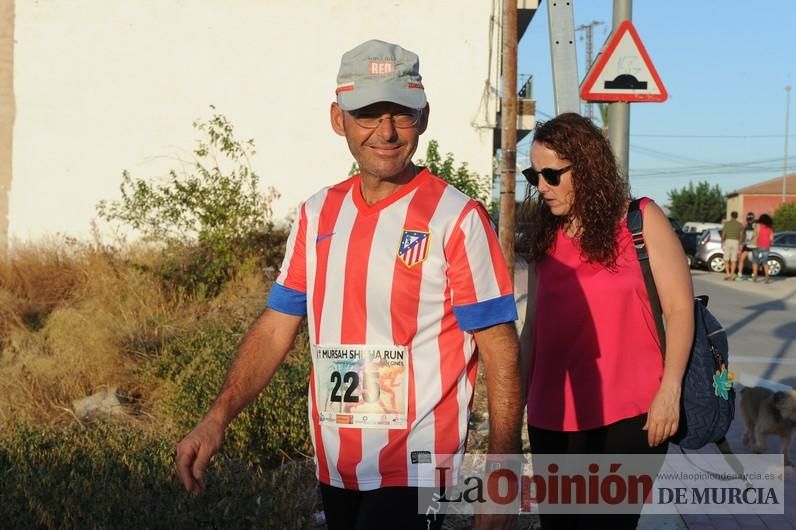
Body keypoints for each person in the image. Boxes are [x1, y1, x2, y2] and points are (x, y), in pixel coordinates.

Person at [175, 39, 523, 530]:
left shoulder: (457, 219)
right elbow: (277, 327)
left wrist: (501, 477)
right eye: (367, 114)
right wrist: (215, 420)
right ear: (338, 119)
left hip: (419, 463)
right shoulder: (317, 213)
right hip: (336, 463)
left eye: (401, 113)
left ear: (423, 118)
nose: (386, 131)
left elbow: (500, 348)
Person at [518, 113, 694, 529]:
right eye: (534, 173)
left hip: (630, 418)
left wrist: (670, 390)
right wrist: (515, 407)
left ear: (587, 166)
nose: (541, 185)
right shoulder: (545, 235)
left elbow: (680, 310)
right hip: (552, 416)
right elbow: (533, 331)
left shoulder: (640, 220)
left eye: (552, 174)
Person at [751, 213, 774, 283]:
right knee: (765, 262)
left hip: (757, 245)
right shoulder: (770, 228)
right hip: (766, 246)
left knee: (755, 261)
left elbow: (754, 234)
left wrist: (751, 240)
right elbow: (771, 238)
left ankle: (755, 277)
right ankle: (767, 277)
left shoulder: (758, 226)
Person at [721, 211, 744, 280]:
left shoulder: (726, 224)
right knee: (734, 260)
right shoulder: (740, 225)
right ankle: (732, 274)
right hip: (736, 242)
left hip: (728, 241)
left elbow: (723, 234)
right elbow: (741, 236)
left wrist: (722, 242)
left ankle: (727, 274)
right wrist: (740, 244)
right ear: (737, 216)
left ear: (731, 216)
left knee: (726, 259)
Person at [737, 211, 756, 280]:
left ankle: (754, 276)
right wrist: (741, 244)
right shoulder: (746, 226)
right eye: (748, 219)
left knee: (754, 261)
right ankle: (739, 274)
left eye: (750, 219)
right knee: (741, 259)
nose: (749, 220)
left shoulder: (755, 225)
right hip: (747, 245)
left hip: (753, 245)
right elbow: (743, 236)